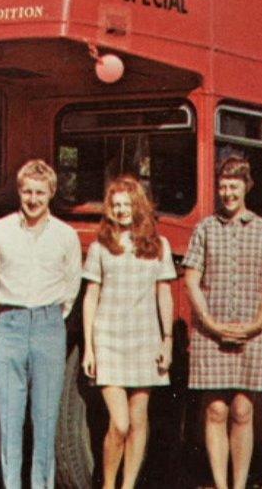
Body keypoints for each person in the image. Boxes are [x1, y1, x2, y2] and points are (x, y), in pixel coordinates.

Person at [0, 159, 82, 489]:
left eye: (40, 192)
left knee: (46, 420)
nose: (33, 199)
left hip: (50, 325)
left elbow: (71, 286)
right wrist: (8, 313)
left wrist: (47, 316)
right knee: (10, 418)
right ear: (19, 192)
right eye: (27, 191)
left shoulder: (66, 236)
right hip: (9, 325)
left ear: (51, 192)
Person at [182, 157, 262, 489]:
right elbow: (192, 279)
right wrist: (210, 323)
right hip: (211, 334)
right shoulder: (205, 229)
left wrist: (256, 325)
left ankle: (239, 484)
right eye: (223, 186)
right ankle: (220, 483)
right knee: (215, 411)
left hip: (251, 333)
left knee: (242, 410)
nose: (228, 193)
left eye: (234, 186)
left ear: (246, 187)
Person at [81, 175, 176, 489]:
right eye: (115, 205)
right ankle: (109, 484)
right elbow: (91, 296)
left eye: (126, 204)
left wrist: (168, 340)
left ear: (138, 207)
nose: (121, 211)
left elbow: (164, 293)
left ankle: (128, 485)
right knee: (119, 424)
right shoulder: (99, 247)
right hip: (109, 338)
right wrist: (90, 349)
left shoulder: (157, 245)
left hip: (145, 339)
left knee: (138, 422)